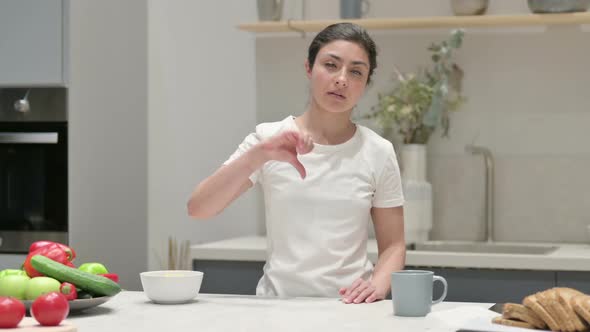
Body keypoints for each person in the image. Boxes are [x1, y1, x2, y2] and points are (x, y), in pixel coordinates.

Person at [188, 22, 405, 304]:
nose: (341, 79)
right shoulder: (269, 138)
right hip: (277, 308)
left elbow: (394, 246)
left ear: (365, 83)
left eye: (355, 72)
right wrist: (259, 155)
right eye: (331, 65)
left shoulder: (378, 151)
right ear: (308, 68)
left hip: (351, 312)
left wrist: (376, 285)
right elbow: (199, 208)